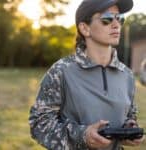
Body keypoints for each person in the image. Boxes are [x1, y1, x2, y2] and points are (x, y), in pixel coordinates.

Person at [29, 0, 145, 149]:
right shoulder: (61, 71)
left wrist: (129, 128)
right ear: (85, 28)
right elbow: (39, 124)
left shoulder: (127, 75)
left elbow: (129, 115)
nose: (116, 24)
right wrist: (82, 135)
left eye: (120, 18)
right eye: (107, 19)